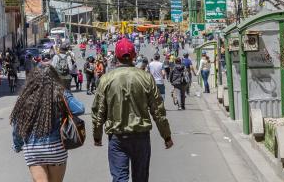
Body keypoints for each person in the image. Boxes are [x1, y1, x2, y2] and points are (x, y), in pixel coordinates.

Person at [92, 38, 173, 182]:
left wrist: (97, 135)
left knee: (120, 178)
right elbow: (158, 111)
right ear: (134, 56)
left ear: (116, 56)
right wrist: (166, 136)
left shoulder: (106, 79)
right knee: (141, 178)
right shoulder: (145, 78)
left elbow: (99, 111)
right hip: (141, 136)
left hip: (117, 138)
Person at [11, 66, 85, 182]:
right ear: (54, 77)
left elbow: (17, 125)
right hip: (56, 148)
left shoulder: (26, 96)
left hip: (33, 149)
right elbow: (80, 109)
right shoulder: (60, 93)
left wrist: (17, 144)